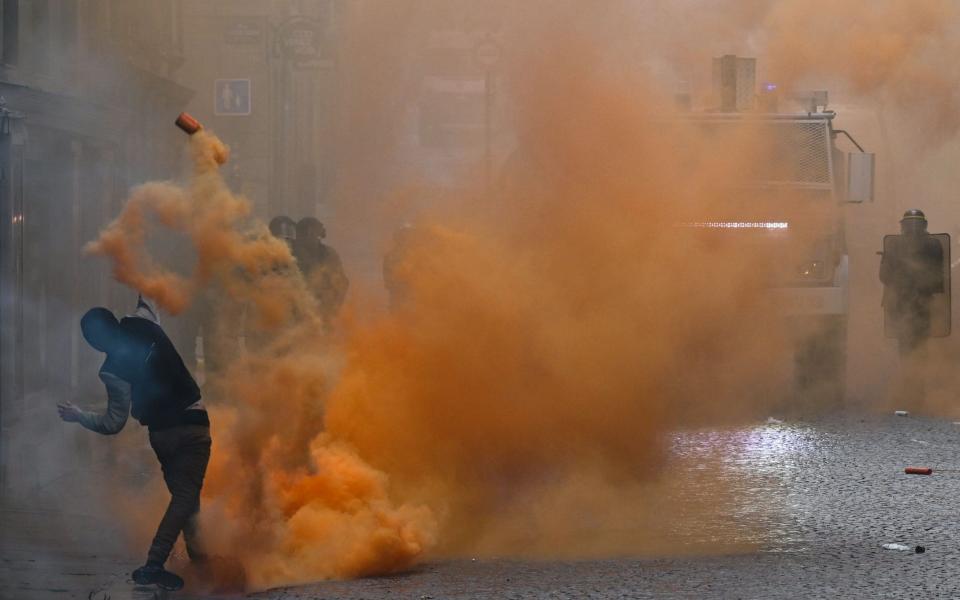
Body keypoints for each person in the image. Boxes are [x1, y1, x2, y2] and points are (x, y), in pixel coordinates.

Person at [57, 295, 210, 592]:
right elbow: (150, 296)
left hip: (163, 435)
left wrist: (79, 416)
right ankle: (156, 563)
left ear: (95, 342)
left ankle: (200, 563)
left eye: (90, 339)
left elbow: (113, 423)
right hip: (192, 426)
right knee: (185, 497)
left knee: (186, 499)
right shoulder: (144, 322)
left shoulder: (112, 369)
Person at [880, 209, 945, 358]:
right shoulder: (934, 244)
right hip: (924, 303)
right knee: (922, 343)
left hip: (901, 302)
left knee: (904, 343)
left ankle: (909, 375)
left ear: (903, 226)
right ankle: (918, 375)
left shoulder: (893, 244)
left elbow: (883, 276)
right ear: (925, 225)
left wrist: (900, 284)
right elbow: (938, 277)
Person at [294, 217, 349, 329]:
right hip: (297, 316)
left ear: (310, 232)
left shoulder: (328, 254)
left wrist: (333, 306)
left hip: (323, 314)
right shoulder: (290, 253)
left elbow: (342, 283)